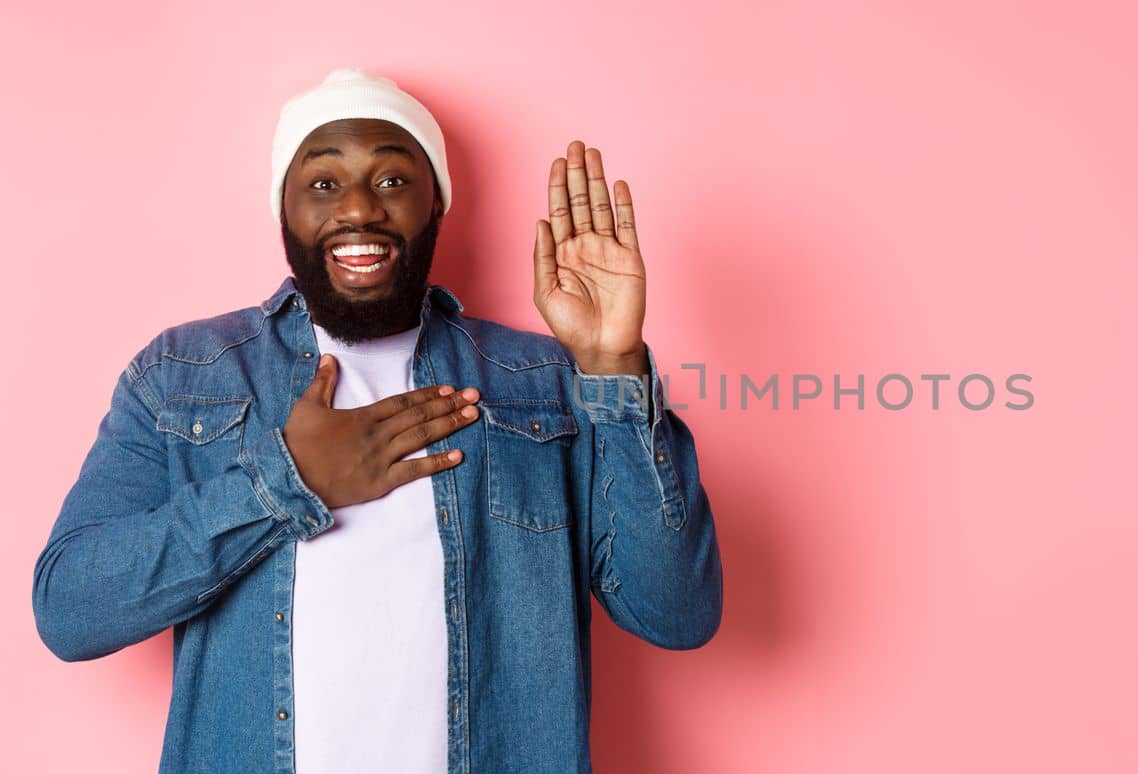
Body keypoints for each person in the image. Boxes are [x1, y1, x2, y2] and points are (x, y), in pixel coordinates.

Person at [30, 68, 723, 774]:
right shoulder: (186, 375)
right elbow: (71, 609)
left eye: (392, 180)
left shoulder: (541, 382)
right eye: (323, 183)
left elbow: (677, 614)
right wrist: (285, 483)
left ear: (437, 206)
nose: (358, 208)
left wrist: (613, 367)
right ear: (284, 209)